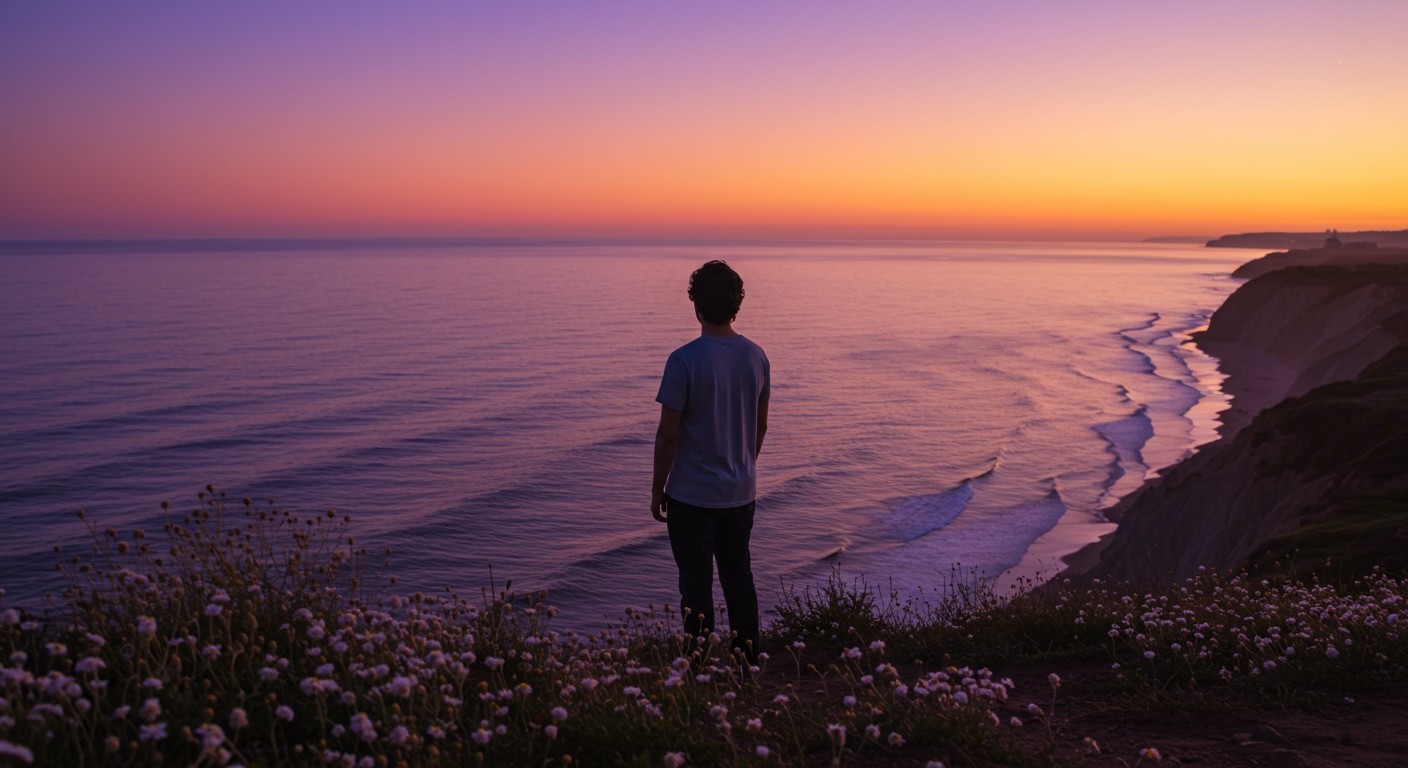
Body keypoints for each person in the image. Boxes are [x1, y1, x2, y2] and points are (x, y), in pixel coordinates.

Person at [652, 259, 770, 664]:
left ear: (696, 305)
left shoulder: (683, 360)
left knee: (696, 587)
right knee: (739, 579)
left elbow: (668, 434)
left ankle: (698, 666)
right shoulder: (756, 357)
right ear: (736, 305)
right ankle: (748, 663)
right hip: (740, 493)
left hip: (691, 496)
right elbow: (760, 425)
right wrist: (742, 468)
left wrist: (657, 488)